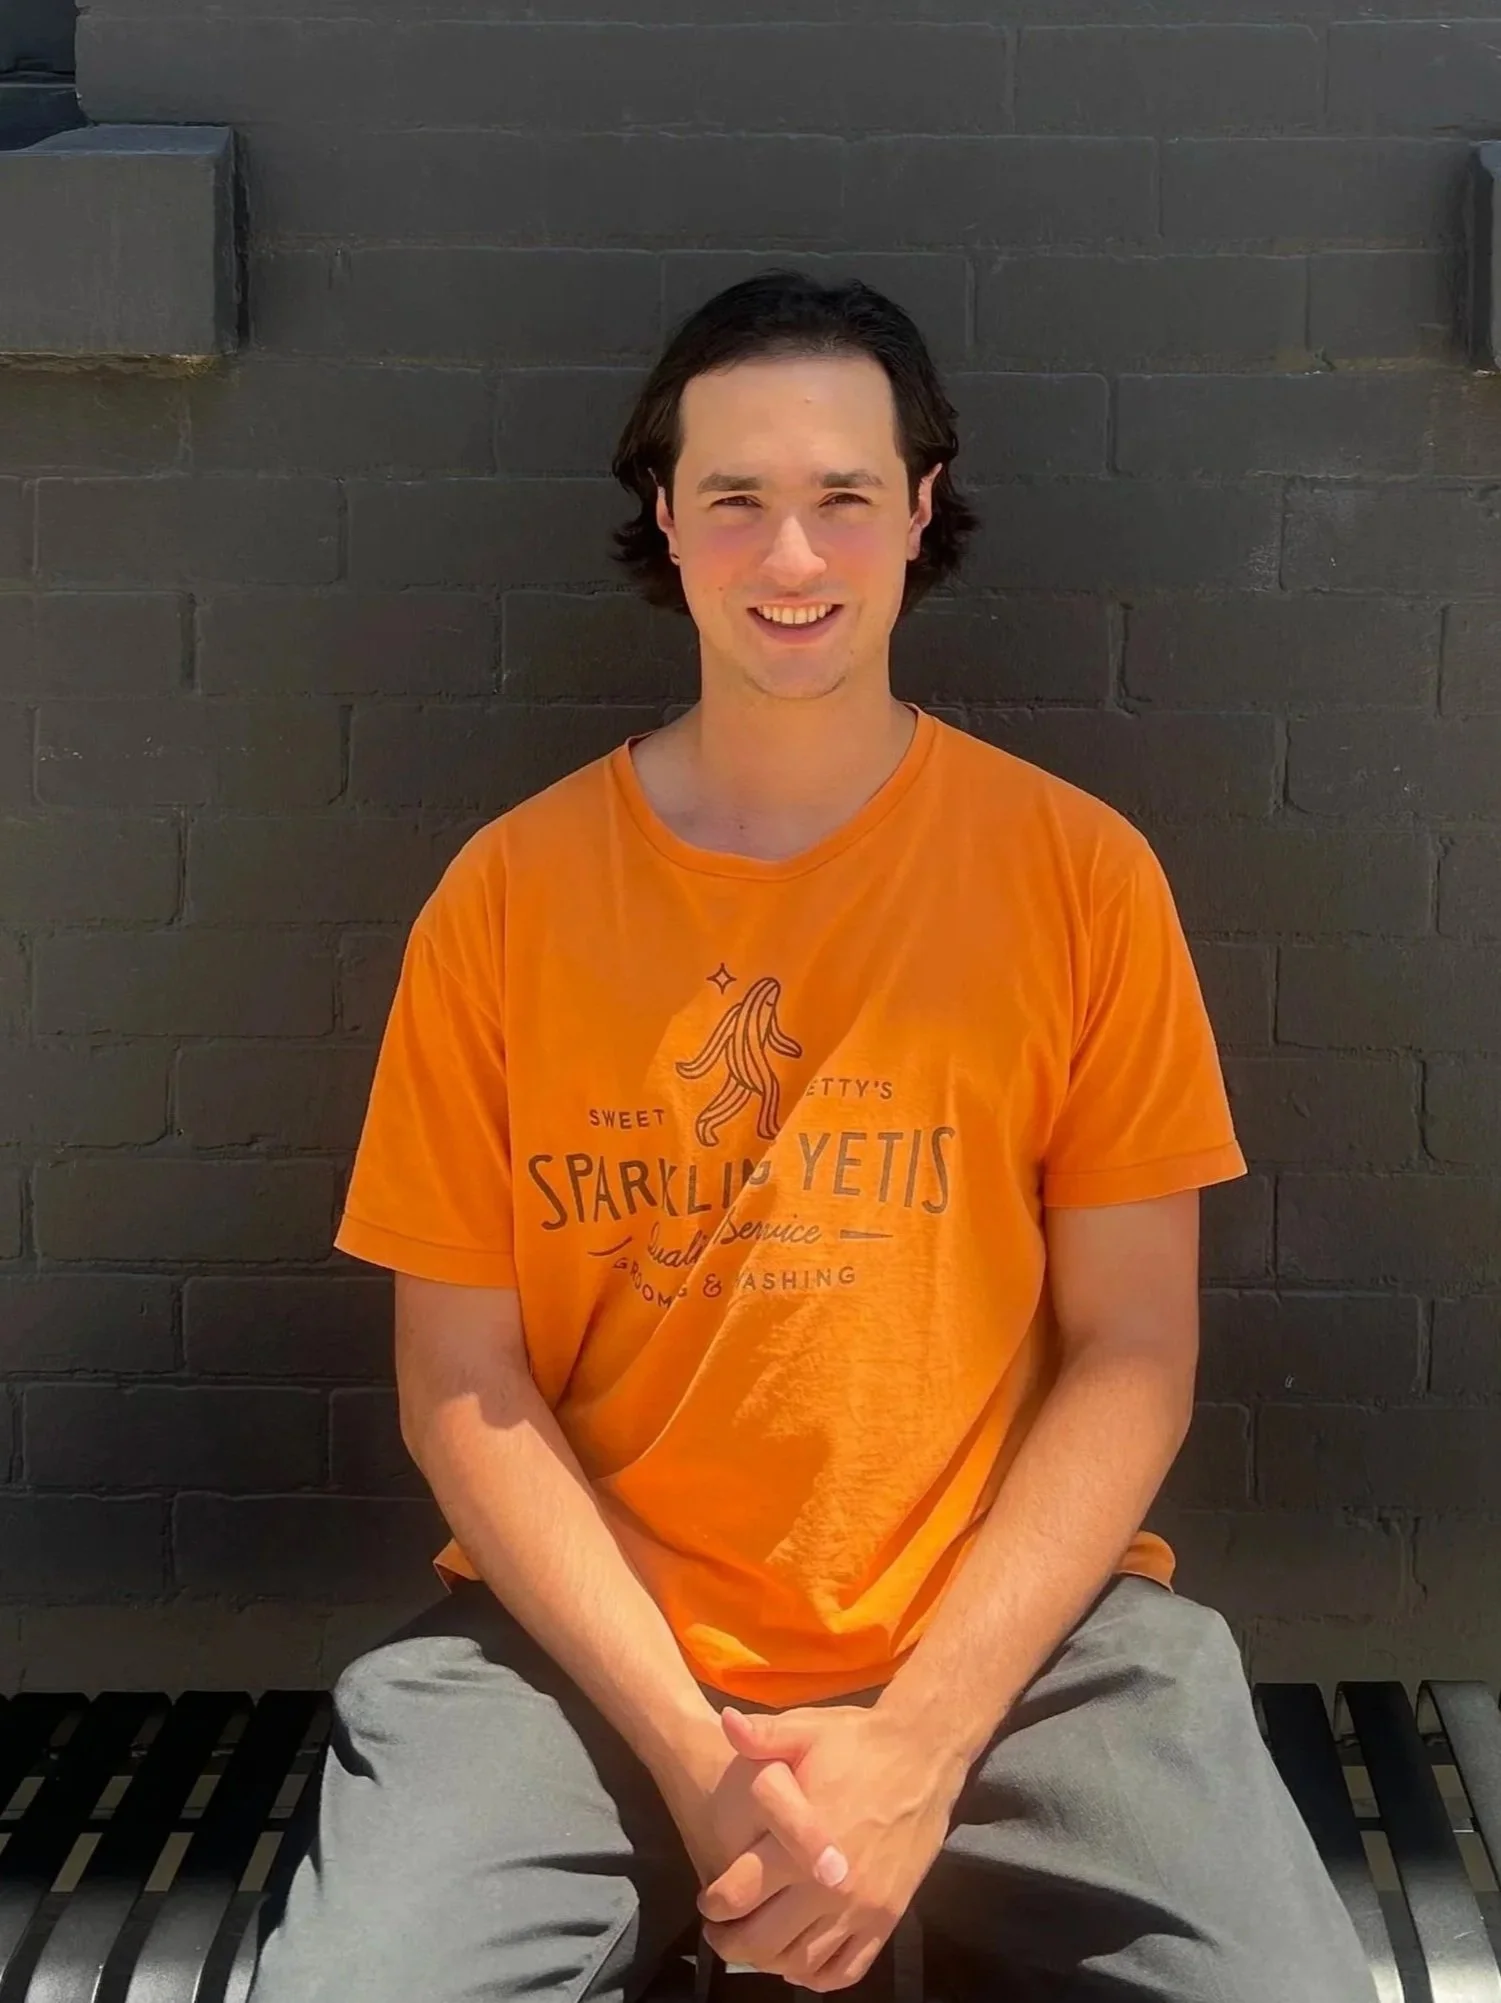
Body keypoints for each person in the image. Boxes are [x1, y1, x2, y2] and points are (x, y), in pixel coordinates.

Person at [246, 270, 1379, 2003]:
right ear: (668, 521)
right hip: (577, 1661)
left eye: (845, 495)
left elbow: (1137, 1348)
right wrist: (714, 1774)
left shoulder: (1077, 879)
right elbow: (461, 1379)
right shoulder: (506, 900)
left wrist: (919, 1743)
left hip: (1026, 1653)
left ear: (919, 511)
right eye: (740, 500)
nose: (794, 557)